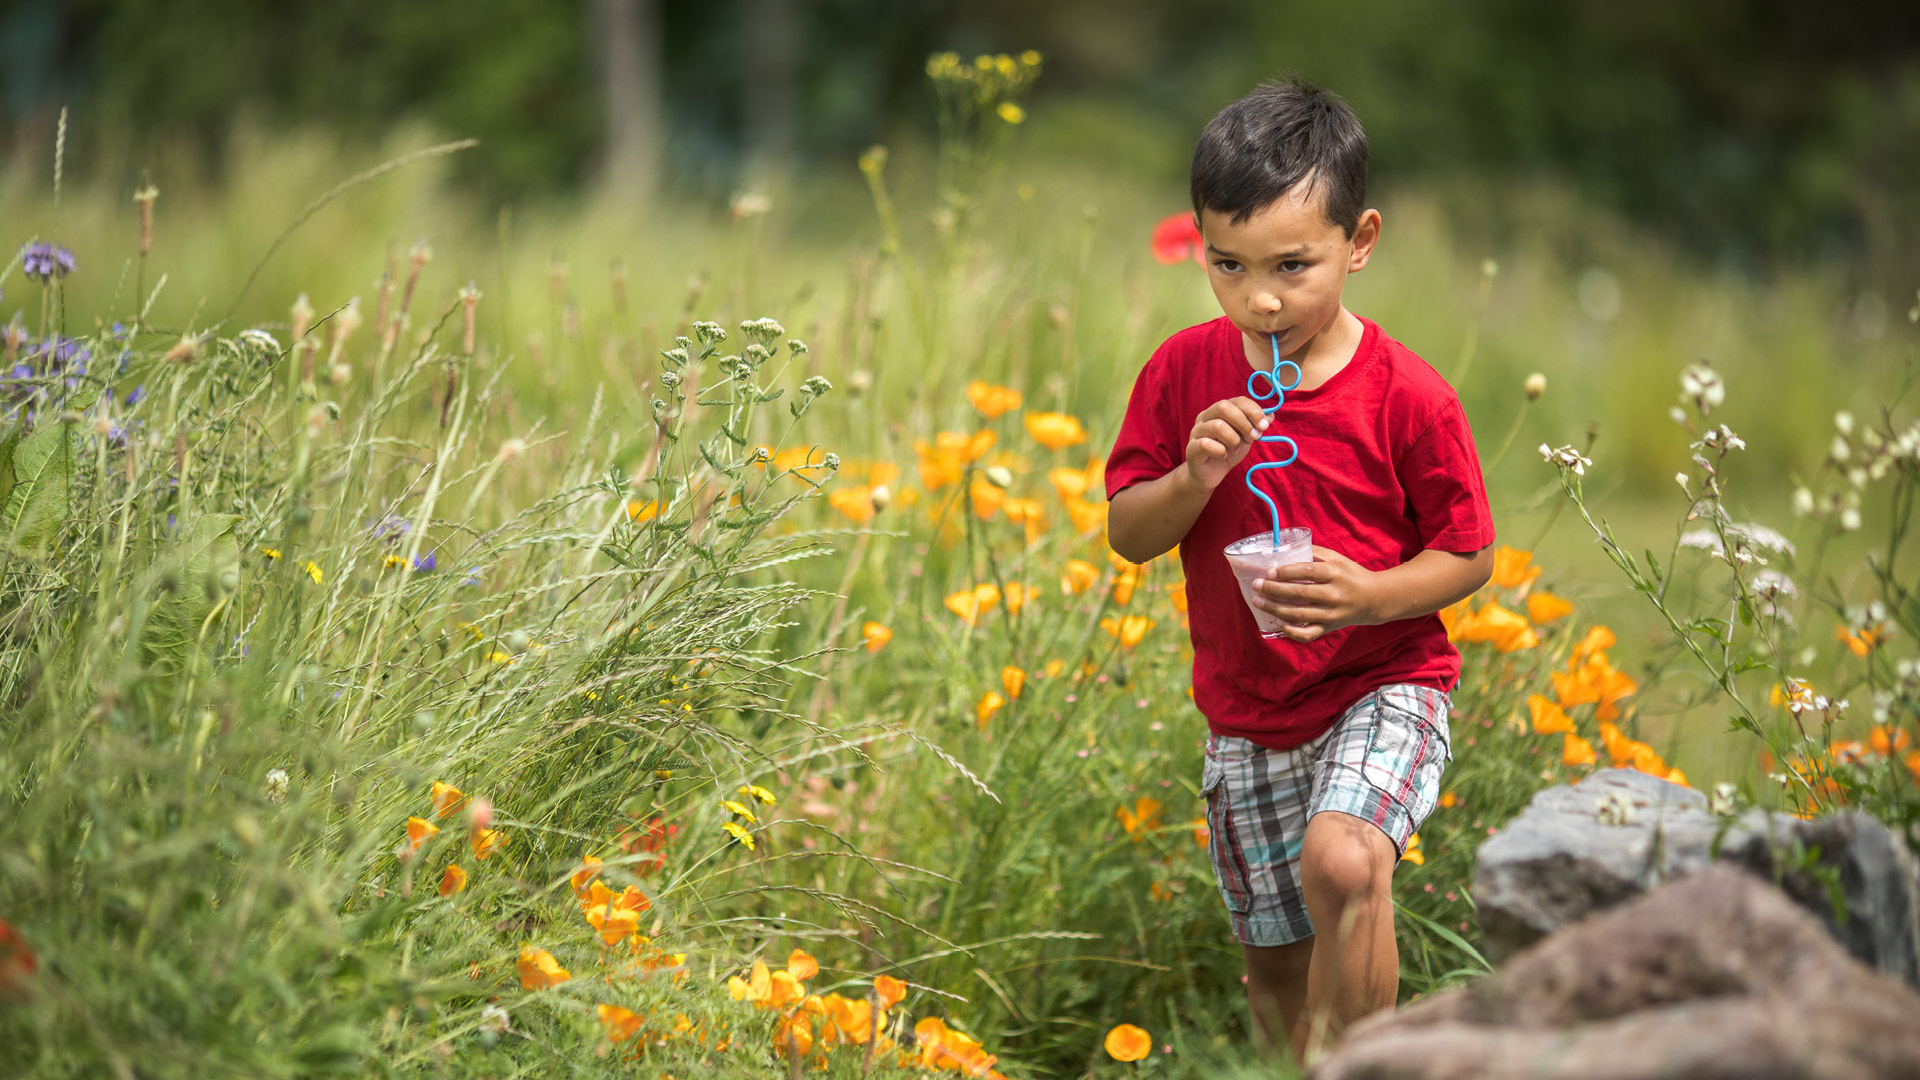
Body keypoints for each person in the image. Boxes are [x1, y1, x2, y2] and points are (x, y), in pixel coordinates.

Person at [1104, 76, 1495, 1061]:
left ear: (1359, 243)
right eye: (1227, 265)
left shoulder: (1409, 397)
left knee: (1348, 863)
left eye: (1292, 264)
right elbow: (1129, 533)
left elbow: (1469, 553)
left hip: (1383, 679)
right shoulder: (1184, 373)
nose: (1261, 296)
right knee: (1275, 961)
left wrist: (1369, 596)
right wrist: (1194, 475)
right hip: (1248, 708)